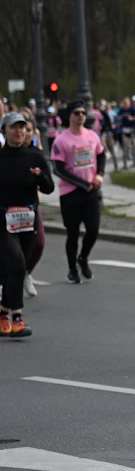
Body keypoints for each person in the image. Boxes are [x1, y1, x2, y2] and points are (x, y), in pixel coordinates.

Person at [0, 112, 54, 338]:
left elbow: (49, 188)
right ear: (4, 132)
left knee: (13, 269)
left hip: (28, 220)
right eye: (13, 127)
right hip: (3, 219)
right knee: (18, 264)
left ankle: (2, 313)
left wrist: (40, 177)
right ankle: (18, 318)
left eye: (22, 127)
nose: (18, 131)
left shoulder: (35, 157)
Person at [50, 100, 105, 285]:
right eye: (77, 113)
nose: (81, 116)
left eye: (83, 112)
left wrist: (100, 175)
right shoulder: (61, 140)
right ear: (70, 116)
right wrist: (81, 184)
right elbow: (58, 169)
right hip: (71, 194)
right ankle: (72, 270)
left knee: (93, 230)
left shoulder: (92, 136)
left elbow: (101, 154)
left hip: (92, 191)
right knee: (72, 233)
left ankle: (83, 258)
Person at [19, 117, 46, 298]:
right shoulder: (7, 152)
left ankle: (26, 273)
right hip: (8, 208)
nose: (25, 133)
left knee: (38, 243)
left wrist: (40, 177)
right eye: (21, 129)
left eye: (28, 130)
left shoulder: (36, 155)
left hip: (31, 207)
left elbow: (48, 184)